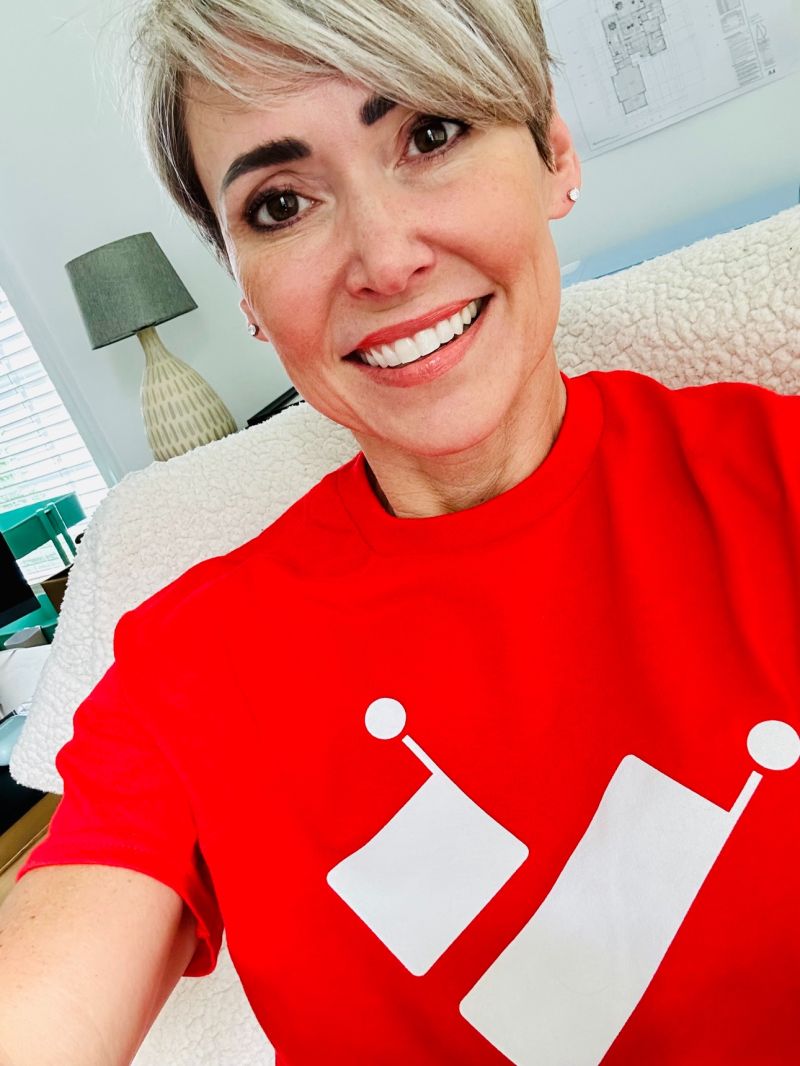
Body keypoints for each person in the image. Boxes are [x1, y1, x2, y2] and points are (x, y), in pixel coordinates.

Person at [0, 1, 798, 1063]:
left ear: (553, 151)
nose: (382, 259)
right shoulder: (184, 665)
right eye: (280, 204)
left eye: (429, 135)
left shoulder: (774, 479)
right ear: (242, 289)